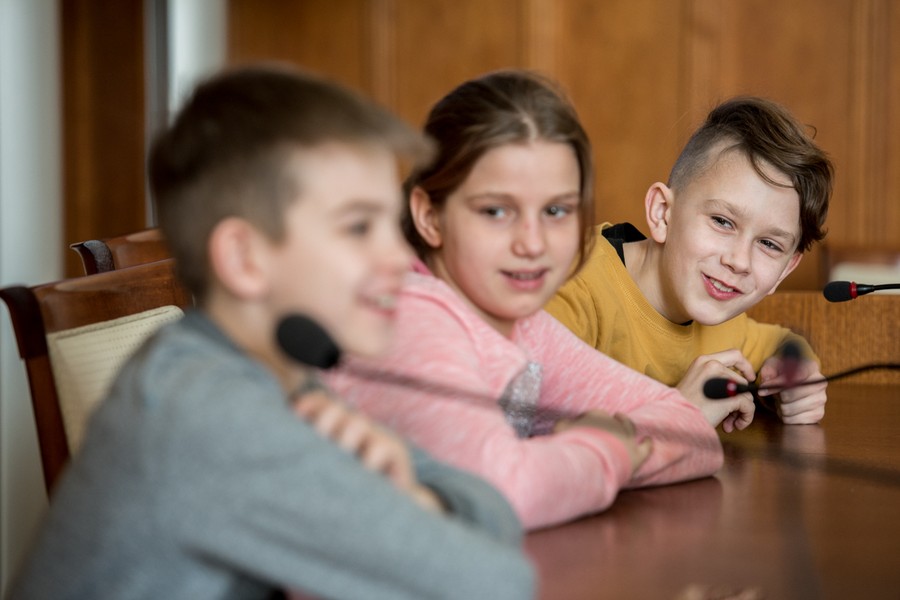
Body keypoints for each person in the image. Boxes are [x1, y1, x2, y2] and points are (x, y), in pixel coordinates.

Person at [8, 65, 535, 600]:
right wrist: (422, 508)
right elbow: (495, 580)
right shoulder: (211, 413)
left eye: (389, 223)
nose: (399, 257)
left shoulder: (276, 373)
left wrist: (420, 499)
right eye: (358, 226)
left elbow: (496, 513)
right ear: (244, 259)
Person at [325, 70, 730, 531]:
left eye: (556, 210)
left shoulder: (520, 322)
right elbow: (498, 493)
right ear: (430, 216)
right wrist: (606, 451)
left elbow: (691, 432)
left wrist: (555, 463)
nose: (532, 243)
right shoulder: (411, 318)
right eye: (496, 211)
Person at [545, 96, 833, 425]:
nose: (739, 261)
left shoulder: (721, 314)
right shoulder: (568, 288)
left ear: (784, 270)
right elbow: (523, 434)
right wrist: (680, 415)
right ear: (663, 213)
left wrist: (792, 376)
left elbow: (783, 342)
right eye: (722, 221)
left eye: (768, 244)